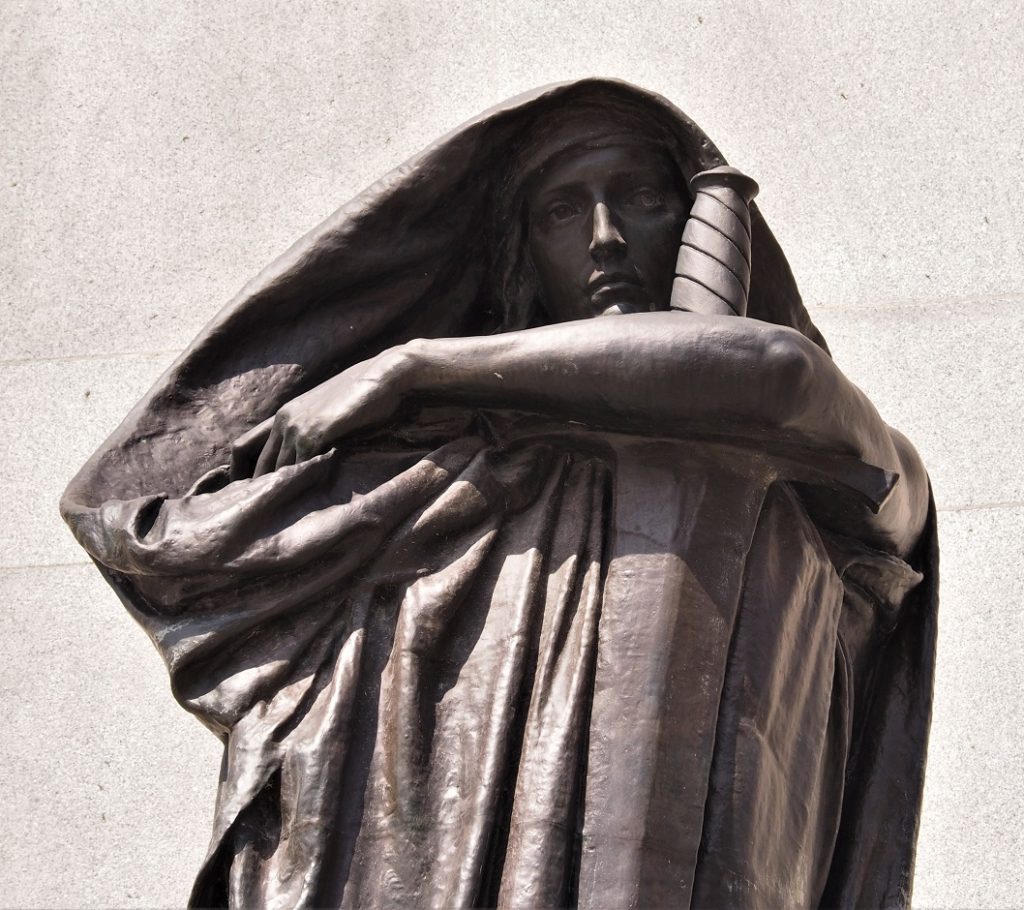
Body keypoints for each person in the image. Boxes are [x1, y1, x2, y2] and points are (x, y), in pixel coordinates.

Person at [61, 80, 937, 909]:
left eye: (641, 196)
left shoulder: (826, 468)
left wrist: (413, 365)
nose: (605, 238)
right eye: (563, 210)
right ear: (521, 259)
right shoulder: (435, 479)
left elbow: (773, 371)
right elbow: (142, 513)